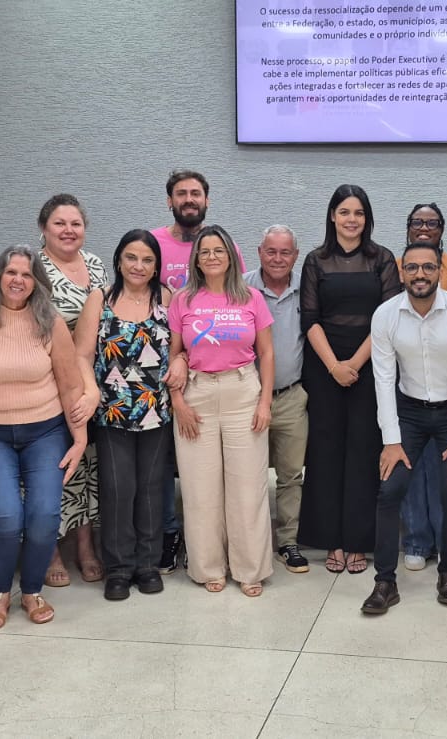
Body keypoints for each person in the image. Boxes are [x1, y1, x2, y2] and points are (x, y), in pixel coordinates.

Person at [0, 246, 92, 629]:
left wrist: (79, 439)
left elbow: (70, 385)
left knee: (43, 516)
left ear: (37, 282)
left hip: (45, 431)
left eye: (27, 275)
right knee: (5, 517)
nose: (18, 280)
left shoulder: (50, 322)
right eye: (11, 272)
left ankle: (31, 591)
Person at [361, 240, 447, 614]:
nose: (420, 274)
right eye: (412, 267)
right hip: (409, 412)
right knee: (389, 490)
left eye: (428, 267)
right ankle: (385, 581)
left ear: (439, 271)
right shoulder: (385, 315)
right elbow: (384, 379)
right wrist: (391, 440)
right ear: (402, 272)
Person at [167, 225, 276, 596]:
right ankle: (208, 566)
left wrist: (265, 402)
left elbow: (267, 353)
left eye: (219, 250)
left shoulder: (251, 297)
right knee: (200, 489)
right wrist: (178, 403)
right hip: (196, 395)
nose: (212, 257)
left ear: (231, 256)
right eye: (205, 251)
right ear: (196, 260)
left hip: (242, 393)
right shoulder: (182, 300)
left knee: (247, 488)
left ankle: (250, 569)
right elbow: (175, 355)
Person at [298, 185, 401, 573]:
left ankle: (358, 541)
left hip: (370, 363)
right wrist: (333, 366)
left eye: (359, 213)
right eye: (344, 212)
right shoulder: (315, 260)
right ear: (332, 216)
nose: (351, 219)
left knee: (363, 451)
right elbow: (310, 319)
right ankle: (332, 540)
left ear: (367, 218)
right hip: (324, 365)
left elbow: (388, 319)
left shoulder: (382, 259)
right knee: (325, 452)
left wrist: (354, 363)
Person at [149, 170, 246, 574]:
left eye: (196, 193)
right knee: (168, 467)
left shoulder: (225, 245)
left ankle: (215, 547)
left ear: (207, 200)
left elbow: (234, 306)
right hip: (153, 367)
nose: (189, 199)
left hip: (201, 367)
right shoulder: (153, 242)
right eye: (181, 193)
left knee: (214, 469)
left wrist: (186, 358)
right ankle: (172, 536)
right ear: (169, 201)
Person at [75, 230, 175, 600]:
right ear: (119, 259)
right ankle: (118, 568)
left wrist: (179, 363)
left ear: (156, 266)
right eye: (131, 257)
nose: (139, 266)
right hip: (111, 411)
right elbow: (81, 354)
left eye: (147, 260)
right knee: (118, 489)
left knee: (150, 488)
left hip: (155, 410)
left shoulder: (167, 297)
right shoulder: (100, 298)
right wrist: (91, 390)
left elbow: (179, 349)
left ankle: (147, 565)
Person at [34, 194, 108, 588]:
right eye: (59, 223)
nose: (68, 230)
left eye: (75, 223)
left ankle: (85, 546)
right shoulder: (32, 268)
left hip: (93, 383)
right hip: (47, 383)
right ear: (43, 228)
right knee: (53, 466)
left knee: (88, 465)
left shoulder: (96, 265)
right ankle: (49, 551)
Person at [394, 203, 447, 572]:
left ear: (442, 228)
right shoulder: (396, 267)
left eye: (431, 222)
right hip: (407, 380)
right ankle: (417, 540)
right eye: (417, 222)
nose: (424, 227)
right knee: (410, 464)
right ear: (408, 228)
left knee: (442, 469)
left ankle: (445, 541)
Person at [243, 225, 311, 574]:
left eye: (285, 252)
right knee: (247, 475)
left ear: (296, 256)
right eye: (271, 251)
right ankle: (250, 542)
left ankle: (288, 541)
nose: (278, 259)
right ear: (259, 252)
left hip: (291, 396)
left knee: (290, 474)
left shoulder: (307, 289)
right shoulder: (240, 288)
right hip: (246, 398)